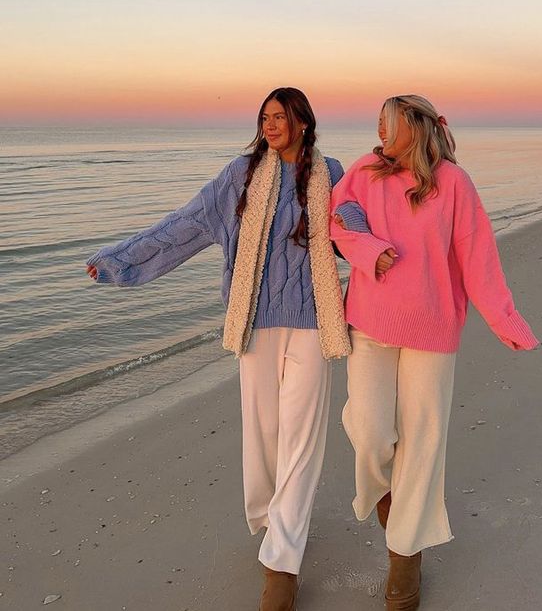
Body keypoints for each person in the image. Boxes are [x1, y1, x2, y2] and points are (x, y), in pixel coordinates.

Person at [86, 87, 351, 611]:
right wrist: (120, 259)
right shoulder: (240, 175)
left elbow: (355, 230)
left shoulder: (331, 173)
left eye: (281, 116)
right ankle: (271, 519)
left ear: (302, 122)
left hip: (312, 321)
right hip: (253, 323)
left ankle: (282, 562)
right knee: (264, 433)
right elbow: (185, 225)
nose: (271, 125)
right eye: (265, 117)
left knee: (303, 437)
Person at [330, 94, 539, 611]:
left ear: (416, 126)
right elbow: (337, 221)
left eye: (388, 122)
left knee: (424, 439)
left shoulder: (454, 183)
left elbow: (477, 255)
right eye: (377, 123)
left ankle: (405, 556)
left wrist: (503, 318)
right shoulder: (363, 171)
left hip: (433, 327)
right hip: (371, 322)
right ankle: (386, 494)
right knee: (372, 430)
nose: (379, 131)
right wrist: (369, 251)